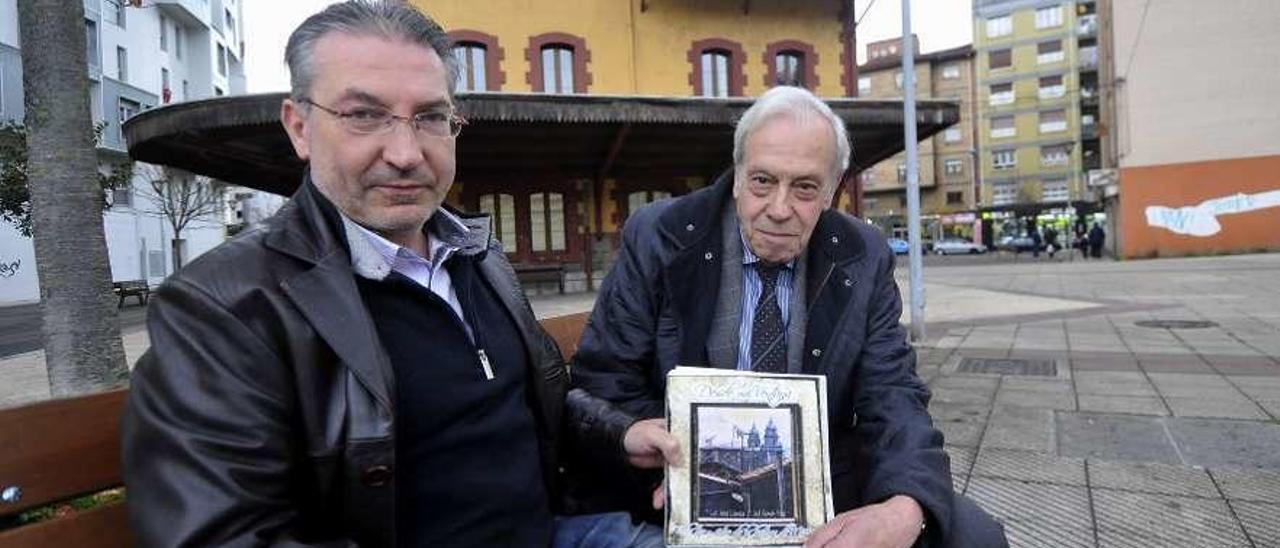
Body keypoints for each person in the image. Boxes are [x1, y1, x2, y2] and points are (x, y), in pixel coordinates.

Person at [121, 2, 676, 546]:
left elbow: (529, 404)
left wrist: (619, 434)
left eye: (431, 117)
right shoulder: (223, 307)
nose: (407, 152)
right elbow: (218, 533)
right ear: (299, 127)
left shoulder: (477, 256)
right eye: (364, 115)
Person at [570, 86, 1007, 548]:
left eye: (804, 187)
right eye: (762, 181)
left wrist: (905, 505)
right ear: (737, 176)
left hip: (819, 488)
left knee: (973, 535)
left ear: (832, 191)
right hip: (682, 482)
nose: (779, 210)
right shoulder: (661, 235)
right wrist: (656, 449)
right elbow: (604, 378)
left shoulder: (863, 255)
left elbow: (893, 393)